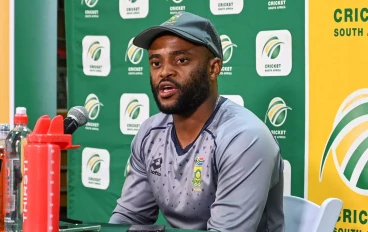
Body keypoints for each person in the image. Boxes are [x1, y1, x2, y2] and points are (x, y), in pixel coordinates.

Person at [109, 11, 284, 232]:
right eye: (155, 63)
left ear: (214, 68)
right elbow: (129, 216)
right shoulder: (150, 132)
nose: (165, 72)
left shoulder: (244, 137)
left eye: (181, 60)